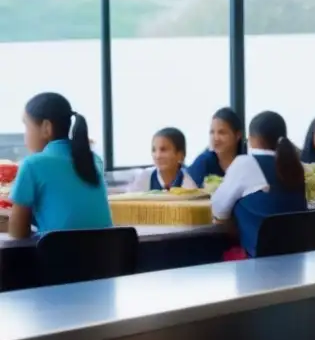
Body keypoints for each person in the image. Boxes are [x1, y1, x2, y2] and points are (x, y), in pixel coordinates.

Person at [7, 92, 112, 239]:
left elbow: (17, 232)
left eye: (26, 126)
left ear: (46, 128)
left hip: (59, 259)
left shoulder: (32, 165)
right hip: (106, 258)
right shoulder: (94, 161)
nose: (25, 136)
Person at [211, 111, 306, 257]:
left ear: (251, 138)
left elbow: (218, 210)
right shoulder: (295, 166)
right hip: (296, 264)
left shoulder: (246, 163)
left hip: (259, 267)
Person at [127, 127, 198, 192]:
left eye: (163, 150)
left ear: (180, 155)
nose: (157, 156)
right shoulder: (145, 177)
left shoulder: (188, 186)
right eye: (154, 150)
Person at [188, 107, 244, 186]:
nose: (216, 138)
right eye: (212, 132)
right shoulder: (203, 162)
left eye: (222, 132)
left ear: (238, 135)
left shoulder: (247, 162)